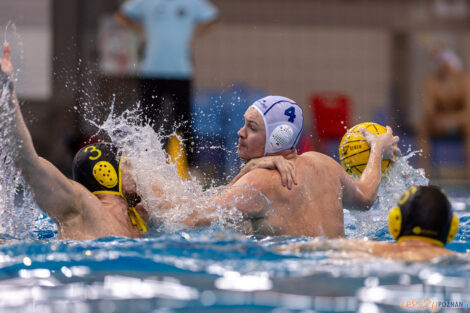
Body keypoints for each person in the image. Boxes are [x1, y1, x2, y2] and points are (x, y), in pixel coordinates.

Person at [152, 95, 400, 238]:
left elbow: (183, 218)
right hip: (342, 263)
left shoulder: (260, 182)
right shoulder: (324, 163)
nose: (240, 133)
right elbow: (366, 198)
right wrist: (377, 148)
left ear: (277, 138)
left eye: (252, 127)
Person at [0, 42, 148, 240]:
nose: (139, 171)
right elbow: (27, 161)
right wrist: (7, 95)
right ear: (107, 173)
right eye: (129, 165)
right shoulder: (80, 205)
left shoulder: (138, 218)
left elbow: (195, 213)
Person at [115, 0, 219, 168]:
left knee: (184, 120)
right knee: (147, 120)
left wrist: (194, 34)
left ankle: (189, 167)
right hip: (151, 70)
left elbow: (213, 17)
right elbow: (121, 15)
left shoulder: (191, 3)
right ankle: (145, 164)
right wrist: (140, 31)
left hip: (181, 71)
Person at [279, 185, 459, 262]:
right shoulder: (459, 259)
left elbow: (296, 249)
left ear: (395, 223)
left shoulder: (365, 249)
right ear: (451, 229)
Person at [417, 45, 470, 180]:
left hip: (460, 124)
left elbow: (468, 112)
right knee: (423, 127)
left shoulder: (465, 81)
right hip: (439, 124)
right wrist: (438, 119)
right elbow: (428, 111)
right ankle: (424, 174)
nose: (445, 68)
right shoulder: (431, 82)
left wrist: (451, 119)